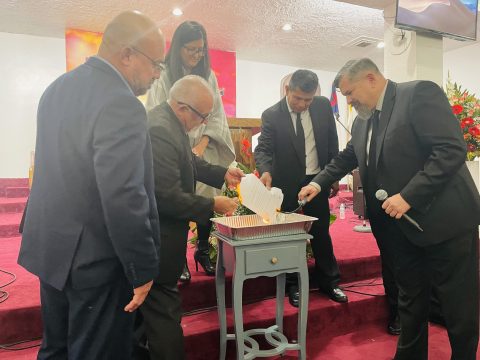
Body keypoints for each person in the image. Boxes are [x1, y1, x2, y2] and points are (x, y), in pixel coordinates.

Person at [299, 58, 480, 360]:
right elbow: (348, 156)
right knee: (410, 301)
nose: (349, 100)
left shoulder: (418, 94)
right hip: (400, 229)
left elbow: (450, 150)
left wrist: (408, 196)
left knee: (457, 305)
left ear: (370, 78)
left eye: (349, 92)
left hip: (445, 223)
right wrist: (318, 183)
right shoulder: (362, 119)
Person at [17, 11, 165, 360]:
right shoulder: (123, 103)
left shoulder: (56, 89)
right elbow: (124, 195)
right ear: (127, 54)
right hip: (94, 260)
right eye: (155, 63)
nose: (158, 73)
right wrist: (142, 269)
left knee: (56, 348)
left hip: (52, 248)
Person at [141, 75, 243, 360]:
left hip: (160, 240)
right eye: (202, 116)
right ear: (183, 107)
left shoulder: (170, 123)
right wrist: (212, 204)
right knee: (163, 320)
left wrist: (222, 173)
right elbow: (166, 197)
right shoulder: (160, 129)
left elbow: (189, 161)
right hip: (156, 241)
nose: (203, 123)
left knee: (146, 321)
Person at [145, 20, 235, 281]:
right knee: (180, 195)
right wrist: (183, 146)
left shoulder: (209, 75)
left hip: (200, 142)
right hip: (172, 143)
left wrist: (202, 143)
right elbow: (161, 112)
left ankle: (203, 249)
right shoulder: (163, 75)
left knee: (204, 190)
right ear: (177, 48)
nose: (197, 56)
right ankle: (177, 257)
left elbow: (215, 116)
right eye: (191, 50)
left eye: (201, 50)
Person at [254, 69, 348, 307]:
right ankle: (293, 285)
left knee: (321, 232)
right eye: (298, 99)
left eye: (308, 99)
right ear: (288, 90)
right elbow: (263, 149)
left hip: (316, 180)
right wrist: (265, 171)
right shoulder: (272, 115)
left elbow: (331, 140)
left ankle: (330, 281)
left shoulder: (322, 106)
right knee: (290, 236)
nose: (303, 104)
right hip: (285, 184)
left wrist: (332, 176)